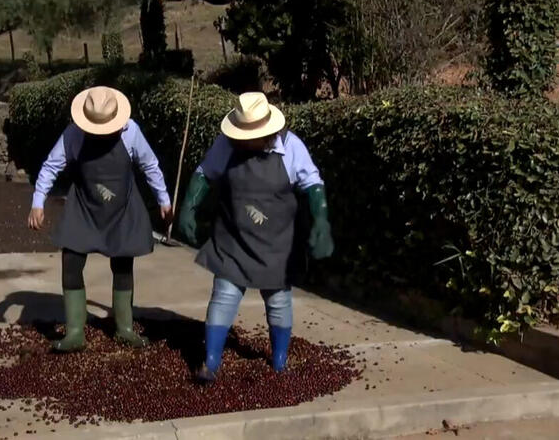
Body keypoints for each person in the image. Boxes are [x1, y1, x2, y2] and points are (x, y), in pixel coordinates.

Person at [177, 92, 334, 381]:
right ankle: (210, 362)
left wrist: (321, 220)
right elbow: (204, 173)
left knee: (278, 300)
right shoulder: (226, 146)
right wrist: (189, 206)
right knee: (223, 295)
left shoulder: (291, 147)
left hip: (277, 243)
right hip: (232, 238)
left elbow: (313, 183)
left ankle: (279, 360)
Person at [28, 86, 173, 352]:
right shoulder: (74, 134)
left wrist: (163, 199)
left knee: (122, 264)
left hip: (122, 209)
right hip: (84, 206)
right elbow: (52, 166)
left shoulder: (131, 132)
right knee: (71, 261)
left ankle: (124, 329)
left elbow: (150, 165)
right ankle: (74, 332)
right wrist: (38, 201)